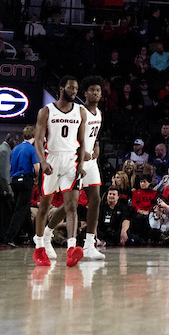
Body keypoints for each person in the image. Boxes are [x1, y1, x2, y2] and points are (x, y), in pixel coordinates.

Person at [32, 76, 90, 267]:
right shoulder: (46, 111)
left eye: (76, 89)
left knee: (72, 206)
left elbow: (82, 142)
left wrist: (80, 164)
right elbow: (38, 140)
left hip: (71, 161)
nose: (74, 91)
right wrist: (42, 161)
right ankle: (39, 247)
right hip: (51, 159)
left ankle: (71, 248)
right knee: (44, 207)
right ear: (61, 88)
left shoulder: (80, 111)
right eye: (71, 88)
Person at [77, 76, 105, 260]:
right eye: (92, 90)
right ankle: (47, 233)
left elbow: (92, 137)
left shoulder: (99, 113)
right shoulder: (79, 111)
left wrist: (95, 147)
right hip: (76, 160)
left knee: (95, 199)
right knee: (70, 204)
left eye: (98, 90)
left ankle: (89, 244)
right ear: (85, 92)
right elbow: (72, 137)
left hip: (91, 161)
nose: (95, 93)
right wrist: (81, 152)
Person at [3, 126, 39, 245]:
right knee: (20, 210)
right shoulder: (32, 149)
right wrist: (37, 178)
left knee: (24, 209)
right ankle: (9, 237)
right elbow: (37, 168)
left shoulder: (15, 149)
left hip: (14, 180)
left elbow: (10, 166)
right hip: (25, 180)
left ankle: (33, 236)